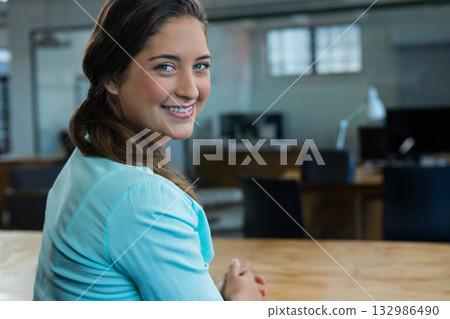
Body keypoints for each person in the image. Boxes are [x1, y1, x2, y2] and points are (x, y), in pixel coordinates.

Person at [33, 0, 266, 301]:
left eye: (200, 66)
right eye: (165, 67)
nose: (191, 90)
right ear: (112, 78)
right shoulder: (142, 197)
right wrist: (242, 301)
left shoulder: (88, 160)